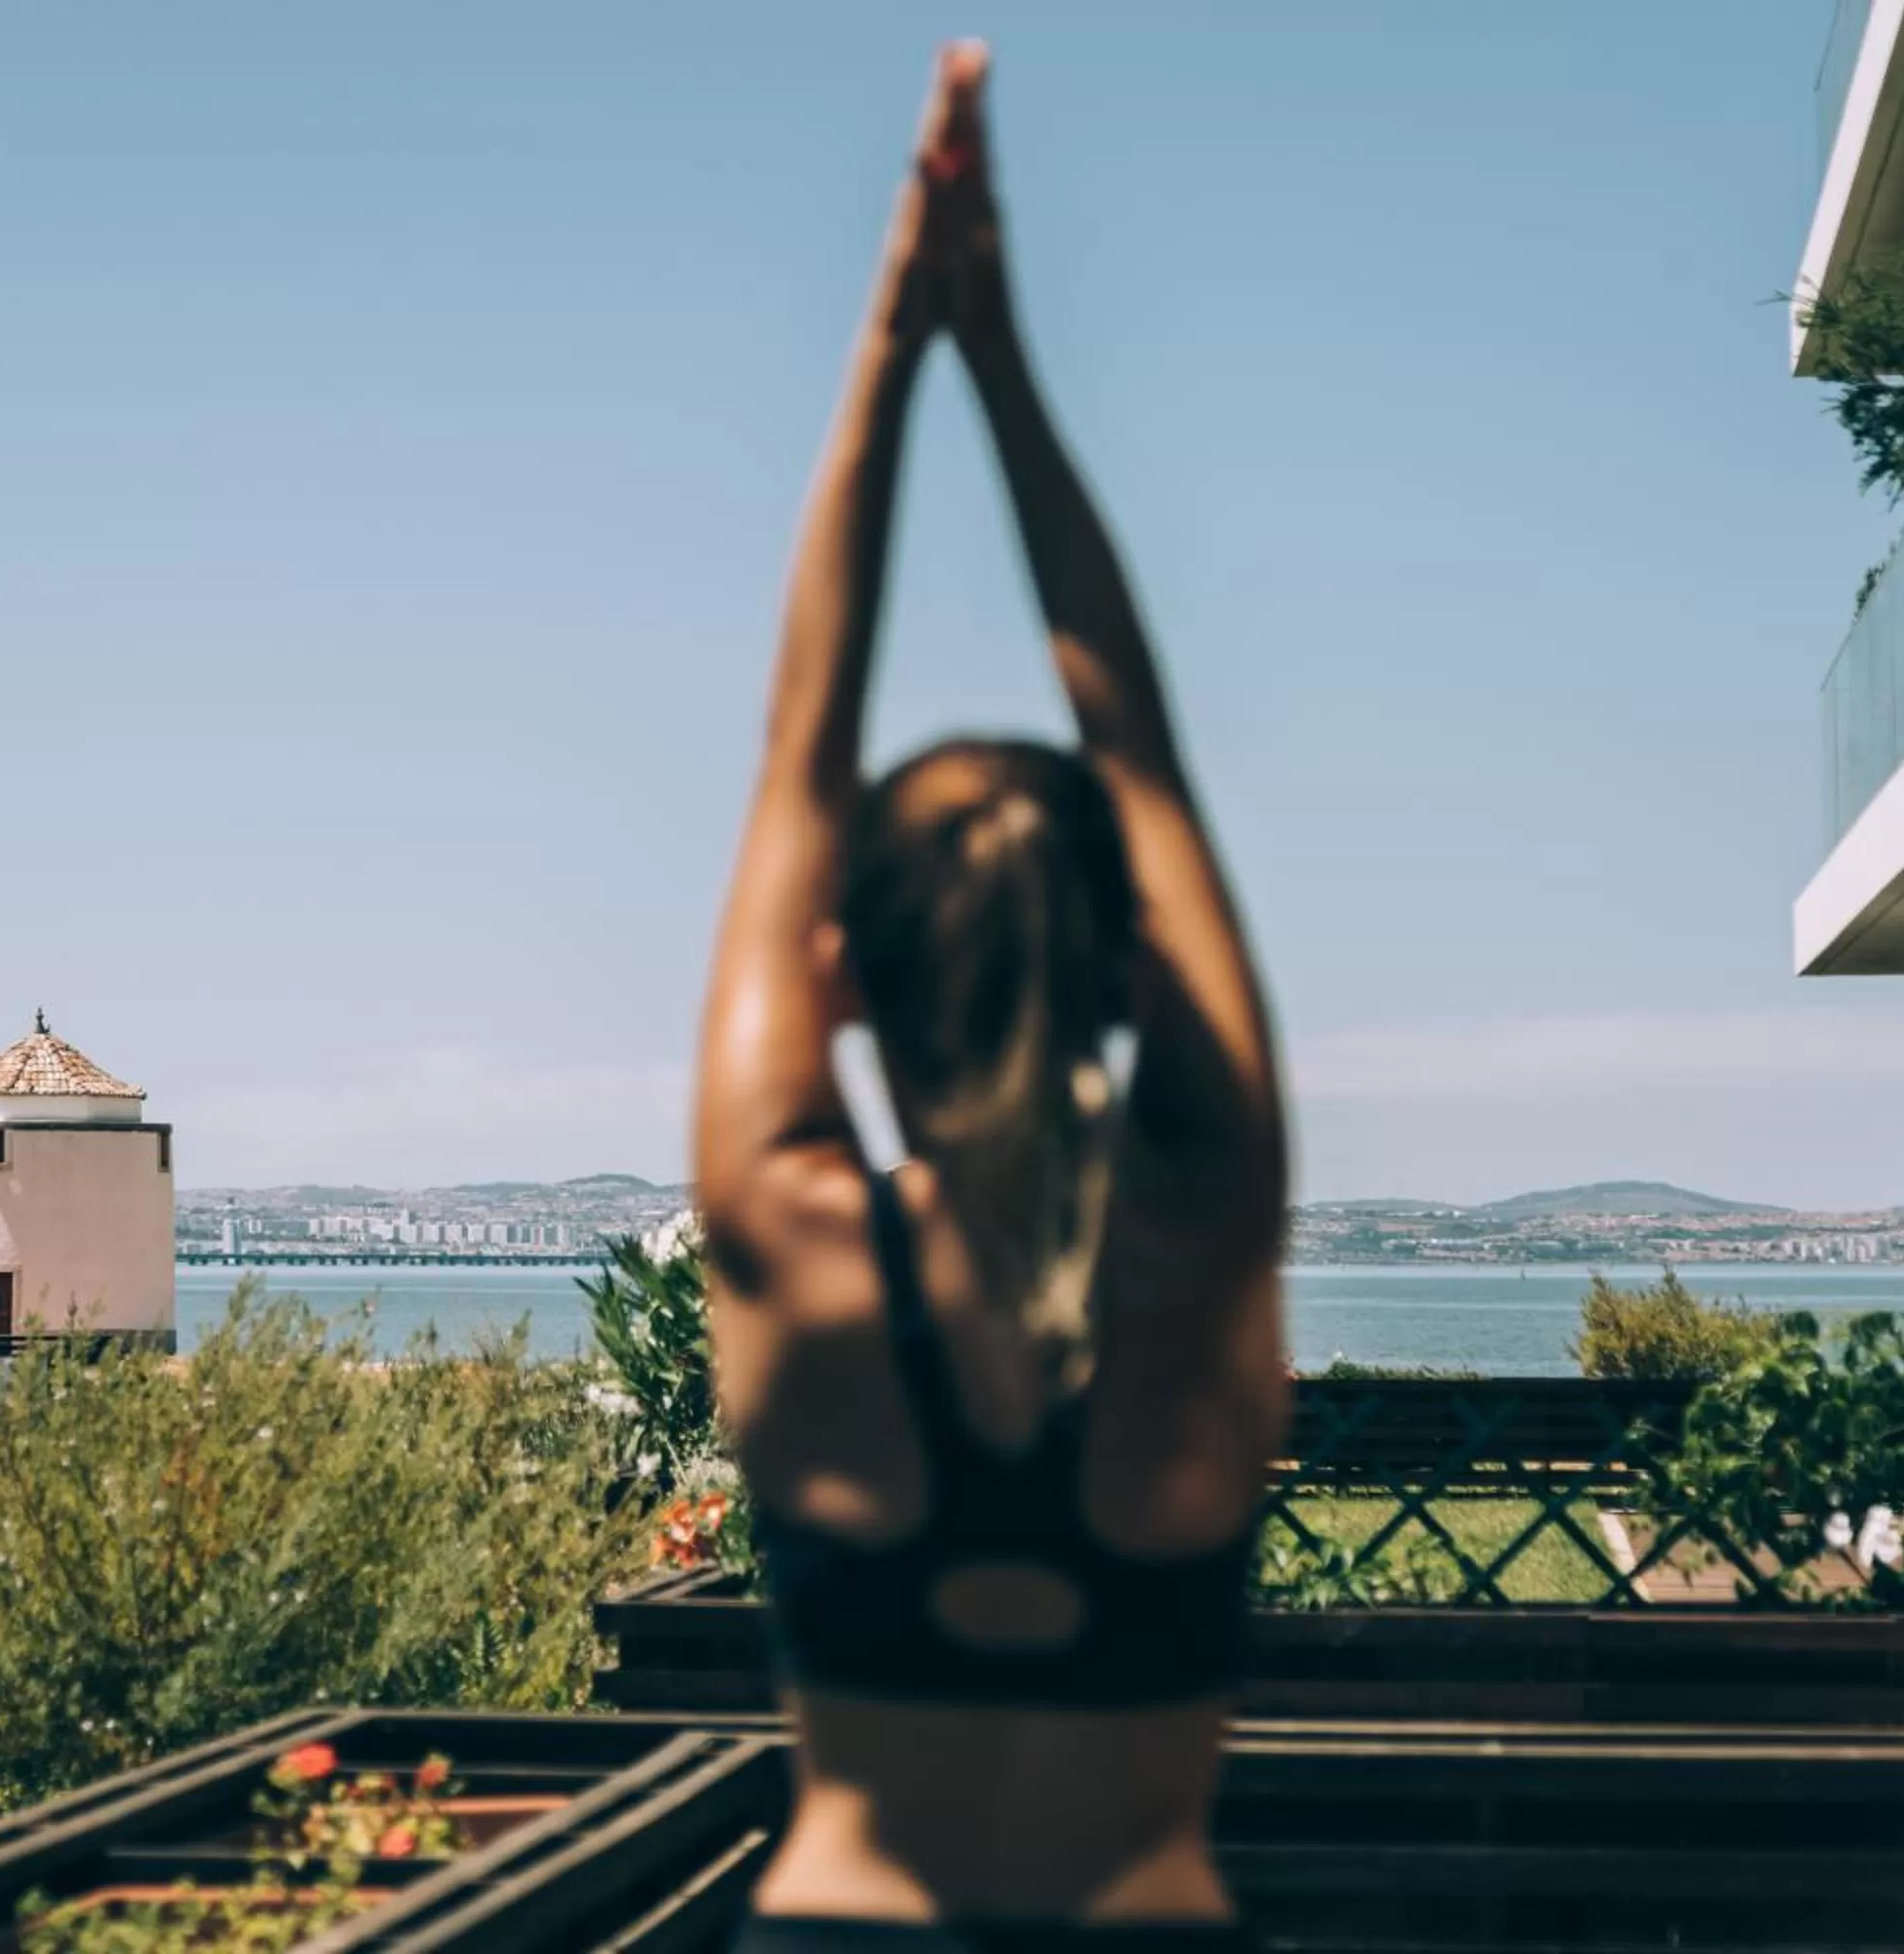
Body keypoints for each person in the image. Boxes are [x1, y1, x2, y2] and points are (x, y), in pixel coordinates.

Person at [691, 41, 1289, 1954]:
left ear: (843, 975)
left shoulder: (791, 1233)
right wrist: (1009, 365)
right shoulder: (1203, 1223)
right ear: (1127, 968)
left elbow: (799, 754)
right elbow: (1144, 741)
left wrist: (900, 338)